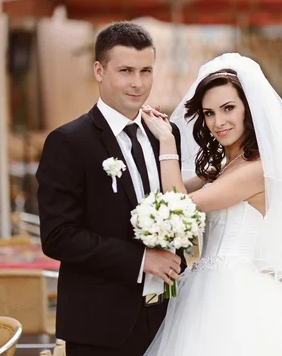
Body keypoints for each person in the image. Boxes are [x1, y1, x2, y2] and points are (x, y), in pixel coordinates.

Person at [140, 53, 282, 355]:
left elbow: (179, 205)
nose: (219, 122)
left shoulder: (257, 169)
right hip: (203, 290)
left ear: (249, 110)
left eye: (228, 108)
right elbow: (165, 189)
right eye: (209, 113)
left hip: (235, 295)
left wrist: (167, 142)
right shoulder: (223, 166)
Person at [36, 22, 185, 356]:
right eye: (126, 71)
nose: (138, 83)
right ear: (99, 71)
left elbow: (179, 206)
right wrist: (142, 259)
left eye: (146, 71)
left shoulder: (165, 133)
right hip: (100, 326)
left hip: (170, 318)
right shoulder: (68, 142)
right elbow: (58, 236)